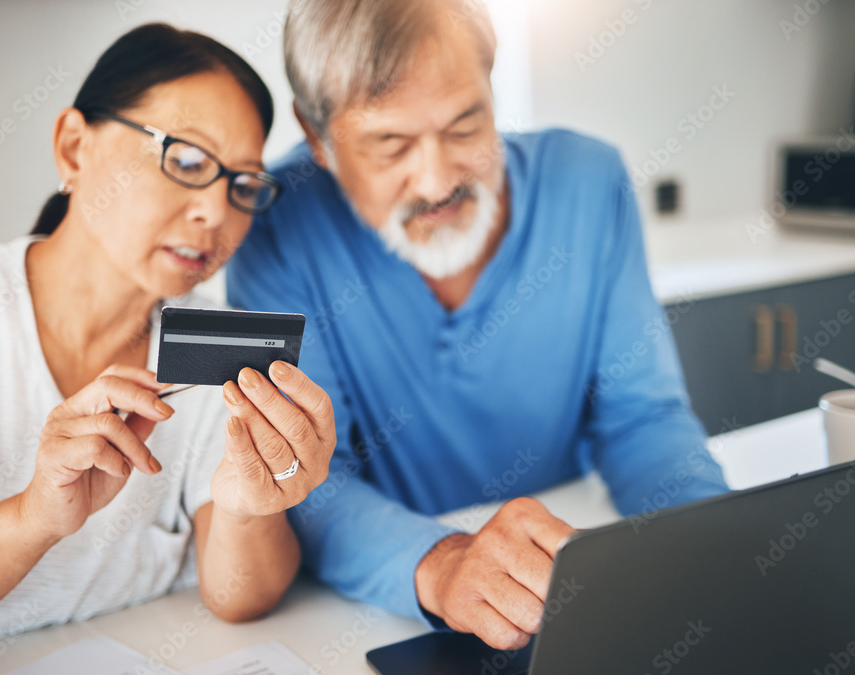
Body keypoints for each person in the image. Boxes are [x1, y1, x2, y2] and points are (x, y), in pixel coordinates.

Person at [227, 0, 730, 651]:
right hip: (381, 617)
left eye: (467, 126)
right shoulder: (275, 228)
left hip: (570, 587)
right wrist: (442, 563)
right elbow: (311, 476)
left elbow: (642, 417)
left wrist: (719, 546)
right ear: (317, 136)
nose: (437, 180)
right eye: (391, 145)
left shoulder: (589, 183)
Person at [0, 23, 335, 658]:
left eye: (242, 185)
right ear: (74, 148)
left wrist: (248, 507)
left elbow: (241, 596)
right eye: (186, 160)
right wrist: (33, 520)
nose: (216, 214)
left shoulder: (212, 345)